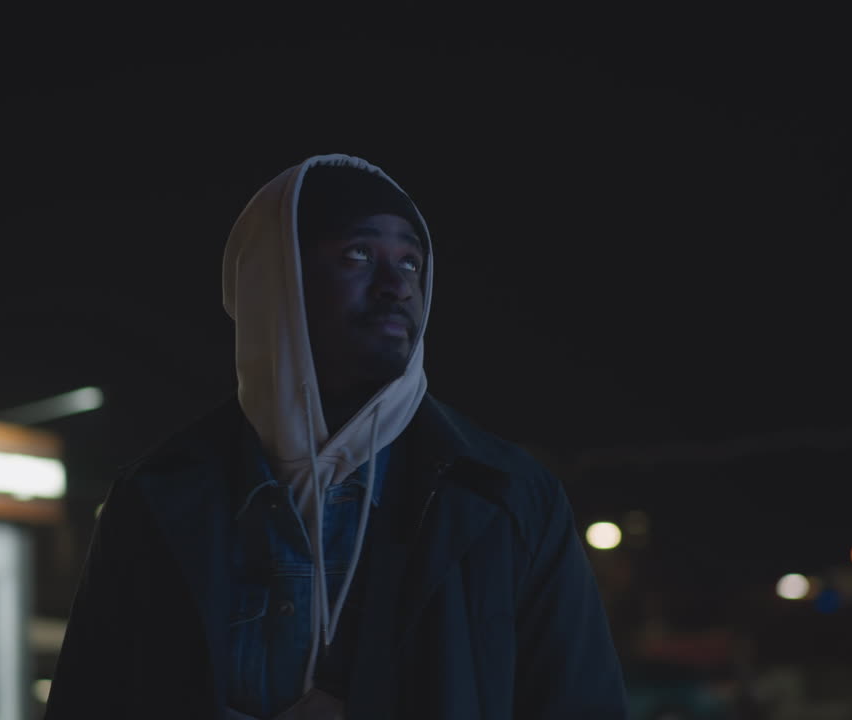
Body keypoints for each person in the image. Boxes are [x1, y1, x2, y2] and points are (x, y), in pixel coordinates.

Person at [43, 154, 628, 719]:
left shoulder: (505, 498)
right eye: (358, 254)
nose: (396, 285)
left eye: (411, 262)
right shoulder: (158, 498)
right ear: (275, 279)